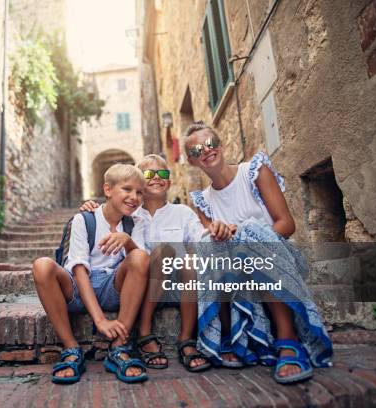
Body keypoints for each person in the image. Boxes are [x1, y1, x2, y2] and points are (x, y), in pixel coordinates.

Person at [183, 121, 332, 384]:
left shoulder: (254, 172)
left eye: (209, 144)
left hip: (279, 257)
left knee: (251, 237)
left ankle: (288, 340)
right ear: (192, 162)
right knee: (209, 251)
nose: (205, 151)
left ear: (221, 145)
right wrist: (220, 234)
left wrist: (241, 233)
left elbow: (286, 224)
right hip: (237, 273)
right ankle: (233, 337)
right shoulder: (203, 202)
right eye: (196, 151)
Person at [81, 154, 212, 372]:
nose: (156, 178)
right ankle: (144, 332)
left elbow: (201, 240)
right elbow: (106, 214)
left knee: (188, 259)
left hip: (179, 284)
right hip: (140, 286)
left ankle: (186, 339)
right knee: (162, 252)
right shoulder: (129, 213)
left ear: (169, 182)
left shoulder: (182, 213)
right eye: (148, 174)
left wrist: (215, 230)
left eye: (162, 173)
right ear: (139, 184)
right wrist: (91, 207)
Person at [32, 163, 150, 384]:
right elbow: (78, 270)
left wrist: (128, 241)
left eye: (139, 192)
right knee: (41, 265)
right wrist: (101, 320)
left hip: (111, 287)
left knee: (141, 256)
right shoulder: (84, 219)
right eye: (127, 189)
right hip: (76, 288)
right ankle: (71, 348)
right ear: (107, 190)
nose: (134, 197)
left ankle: (119, 347)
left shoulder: (136, 223)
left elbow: (140, 263)